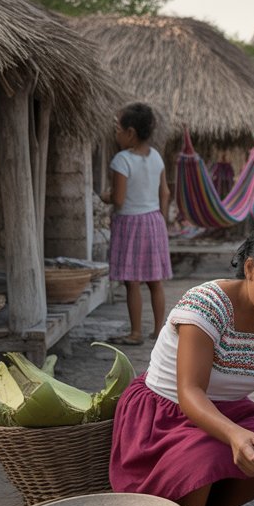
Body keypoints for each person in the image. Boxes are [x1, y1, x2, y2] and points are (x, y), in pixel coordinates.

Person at [109, 217, 254, 506]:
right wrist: (234, 434)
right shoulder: (207, 306)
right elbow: (190, 392)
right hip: (167, 413)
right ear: (251, 268)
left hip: (230, 411)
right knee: (205, 455)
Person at [101, 102, 173, 345]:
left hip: (130, 224)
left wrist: (106, 196)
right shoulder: (157, 157)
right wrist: (161, 219)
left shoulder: (121, 160)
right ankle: (159, 330)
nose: (116, 135)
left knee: (132, 281)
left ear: (130, 132)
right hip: (153, 221)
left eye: (118, 130)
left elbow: (119, 199)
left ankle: (135, 333)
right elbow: (165, 193)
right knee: (155, 281)